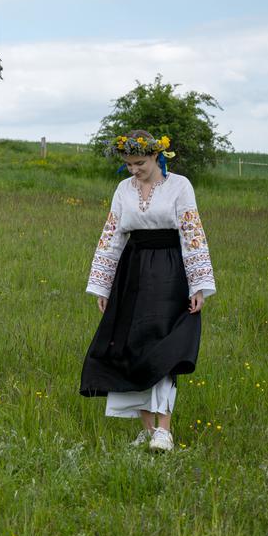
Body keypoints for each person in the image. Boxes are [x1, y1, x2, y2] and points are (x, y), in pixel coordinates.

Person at [80, 130, 215, 451]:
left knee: (163, 346)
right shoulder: (122, 189)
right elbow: (111, 236)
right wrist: (104, 285)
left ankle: (164, 430)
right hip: (132, 273)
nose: (133, 170)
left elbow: (192, 233)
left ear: (157, 156)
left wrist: (198, 284)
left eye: (139, 163)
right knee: (133, 346)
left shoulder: (180, 185)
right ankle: (147, 428)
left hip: (170, 273)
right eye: (128, 164)